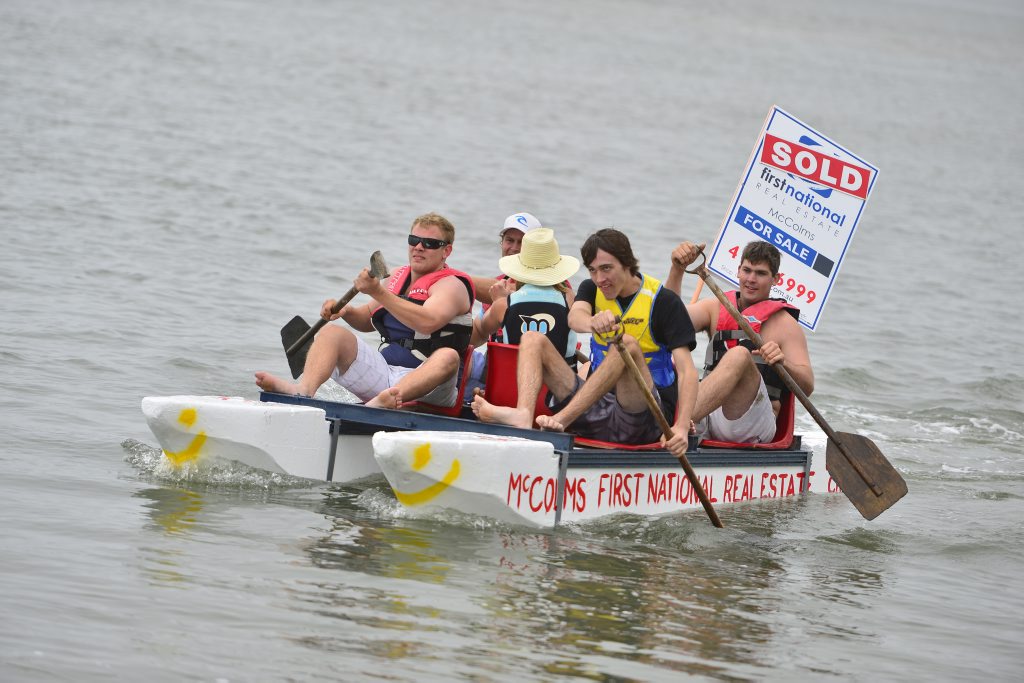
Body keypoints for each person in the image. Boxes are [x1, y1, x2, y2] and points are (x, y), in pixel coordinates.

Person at [471, 228, 698, 457]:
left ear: (628, 264)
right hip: (594, 409)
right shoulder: (592, 288)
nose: (600, 279)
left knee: (625, 344)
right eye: (592, 270)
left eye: (606, 269)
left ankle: (559, 420)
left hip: (644, 419)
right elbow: (574, 317)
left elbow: (687, 371)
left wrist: (680, 426)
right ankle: (523, 414)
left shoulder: (663, 301)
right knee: (533, 339)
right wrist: (592, 322)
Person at [255, 212, 475, 409]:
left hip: (432, 387)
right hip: (386, 372)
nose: (418, 247)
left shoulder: (452, 286)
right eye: (414, 240)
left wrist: (377, 292)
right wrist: (345, 311)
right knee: (333, 333)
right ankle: (303, 391)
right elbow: (367, 320)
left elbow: (428, 322)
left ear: (447, 250)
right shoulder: (397, 276)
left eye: (429, 243)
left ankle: (388, 399)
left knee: (448, 356)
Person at [666, 239, 814, 444]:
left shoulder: (787, 326)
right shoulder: (715, 307)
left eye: (761, 273)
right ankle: (672, 423)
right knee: (654, 354)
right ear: (738, 271)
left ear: (776, 280)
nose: (751, 279)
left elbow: (807, 386)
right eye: (747, 270)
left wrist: (783, 362)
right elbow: (667, 323)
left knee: (739, 354)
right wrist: (677, 270)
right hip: (708, 413)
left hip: (752, 423)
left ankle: (675, 423)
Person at [472, 227, 580, 365]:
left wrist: (499, 301)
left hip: (512, 382)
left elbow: (483, 330)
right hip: (560, 384)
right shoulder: (569, 298)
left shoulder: (503, 304)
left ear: (520, 268)